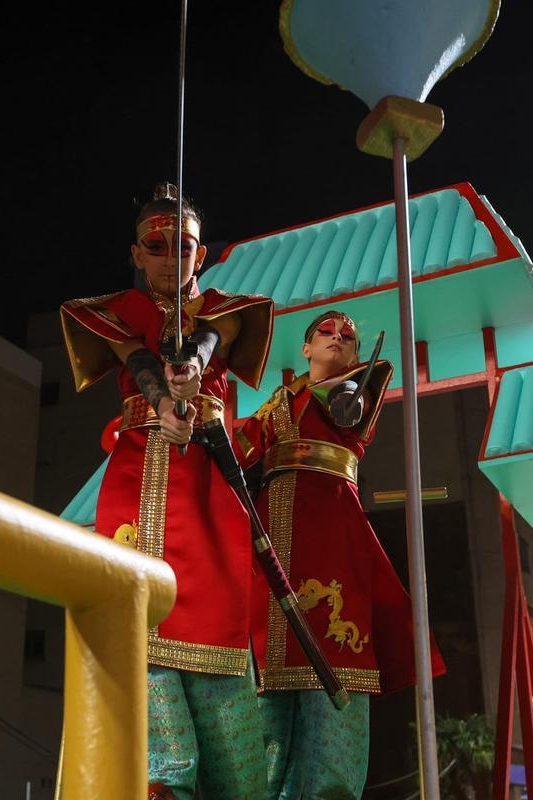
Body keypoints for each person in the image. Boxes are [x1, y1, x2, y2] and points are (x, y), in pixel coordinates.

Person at [59, 183, 273, 800]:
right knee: (137, 632)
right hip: (136, 481)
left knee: (221, 645)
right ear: (135, 251)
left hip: (210, 488)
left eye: (182, 244)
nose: (169, 254)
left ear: (200, 253)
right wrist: (160, 395)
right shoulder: (114, 311)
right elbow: (134, 355)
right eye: (157, 244)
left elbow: (209, 341)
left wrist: (193, 370)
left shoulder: (227, 311)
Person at [235, 311, 447, 799]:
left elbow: (351, 414)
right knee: (265, 702)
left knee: (337, 691)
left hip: (335, 545)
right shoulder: (277, 404)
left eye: (347, 337)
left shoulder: (356, 393)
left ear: (355, 355)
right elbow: (240, 450)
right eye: (325, 333)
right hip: (269, 548)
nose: (336, 338)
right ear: (304, 349)